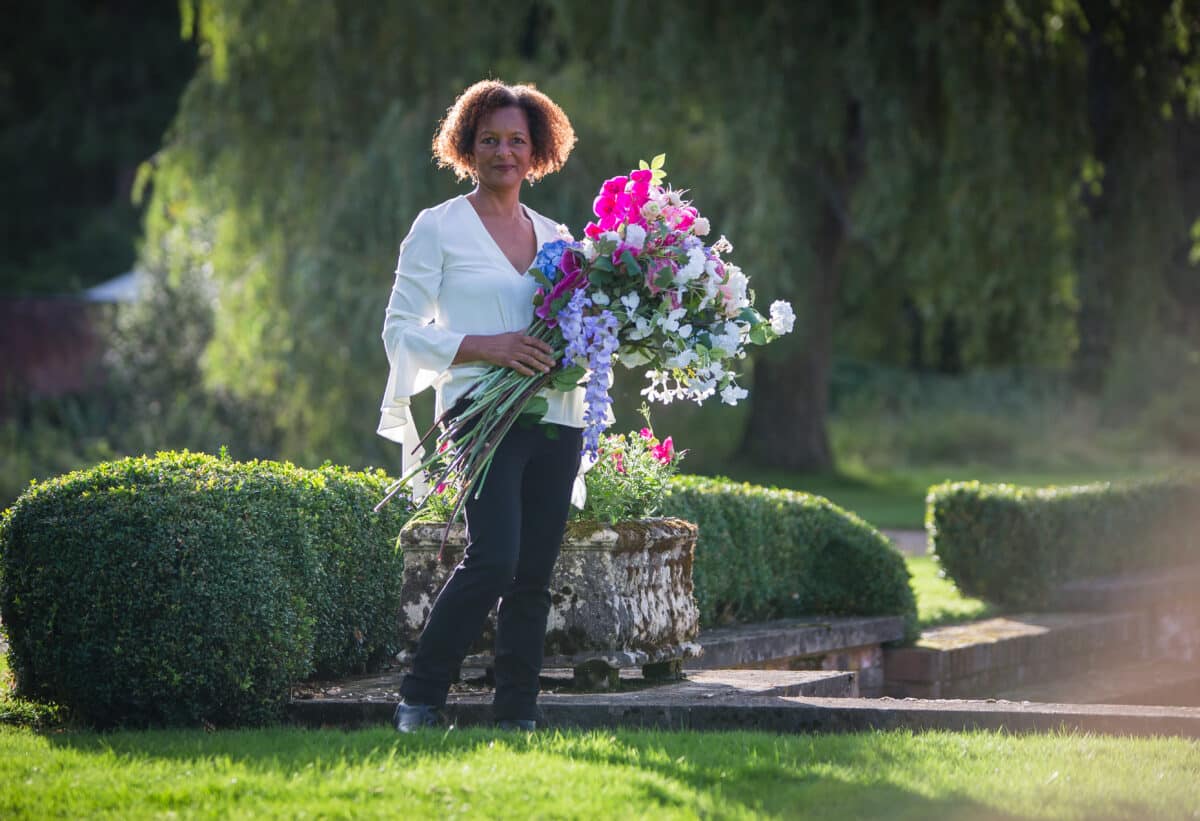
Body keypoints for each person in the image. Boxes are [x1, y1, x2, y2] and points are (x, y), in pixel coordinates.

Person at [376, 80, 585, 732]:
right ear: (467, 146)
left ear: (537, 149)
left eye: (516, 140)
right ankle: (418, 699)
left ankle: (516, 714)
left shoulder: (559, 238)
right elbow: (400, 329)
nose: (503, 152)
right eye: (490, 139)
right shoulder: (437, 228)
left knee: (533, 572)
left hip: (557, 417)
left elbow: (579, 326)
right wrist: (486, 347)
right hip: (478, 412)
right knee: (493, 557)